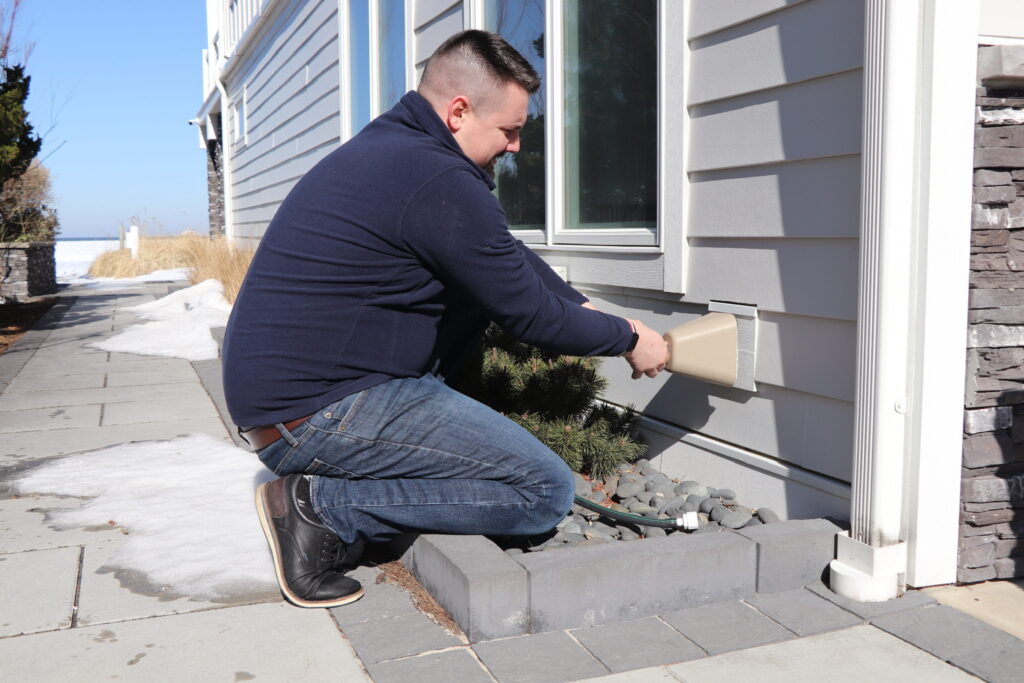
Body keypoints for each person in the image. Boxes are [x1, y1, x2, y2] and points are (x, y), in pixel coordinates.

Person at [223, 30, 670, 609]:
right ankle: (318, 508)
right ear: (459, 111)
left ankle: (325, 490)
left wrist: (577, 302)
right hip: (318, 413)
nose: (514, 147)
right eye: (509, 130)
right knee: (543, 490)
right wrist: (630, 337)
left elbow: (498, 250)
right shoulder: (434, 177)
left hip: (295, 401)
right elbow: (529, 318)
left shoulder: (401, 153)